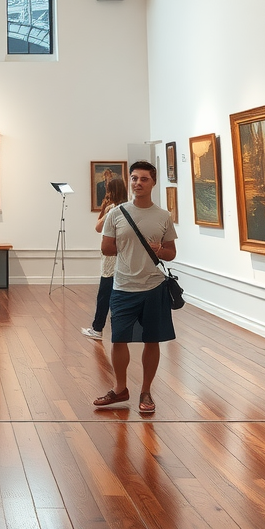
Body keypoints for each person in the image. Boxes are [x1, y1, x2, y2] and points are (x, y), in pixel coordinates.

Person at [94, 160, 177, 415]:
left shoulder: (163, 216)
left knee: (152, 341)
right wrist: (128, 246)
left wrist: (158, 250)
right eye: (134, 178)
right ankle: (120, 389)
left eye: (143, 179)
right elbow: (106, 248)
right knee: (119, 339)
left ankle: (146, 391)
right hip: (122, 286)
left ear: (153, 183)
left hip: (153, 287)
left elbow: (171, 253)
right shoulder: (116, 214)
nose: (137, 183)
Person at [82, 174, 128, 340]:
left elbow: (97, 227)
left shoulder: (112, 209)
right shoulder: (128, 207)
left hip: (110, 259)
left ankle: (97, 328)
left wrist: (104, 207)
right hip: (124, 257)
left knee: (104, 294)